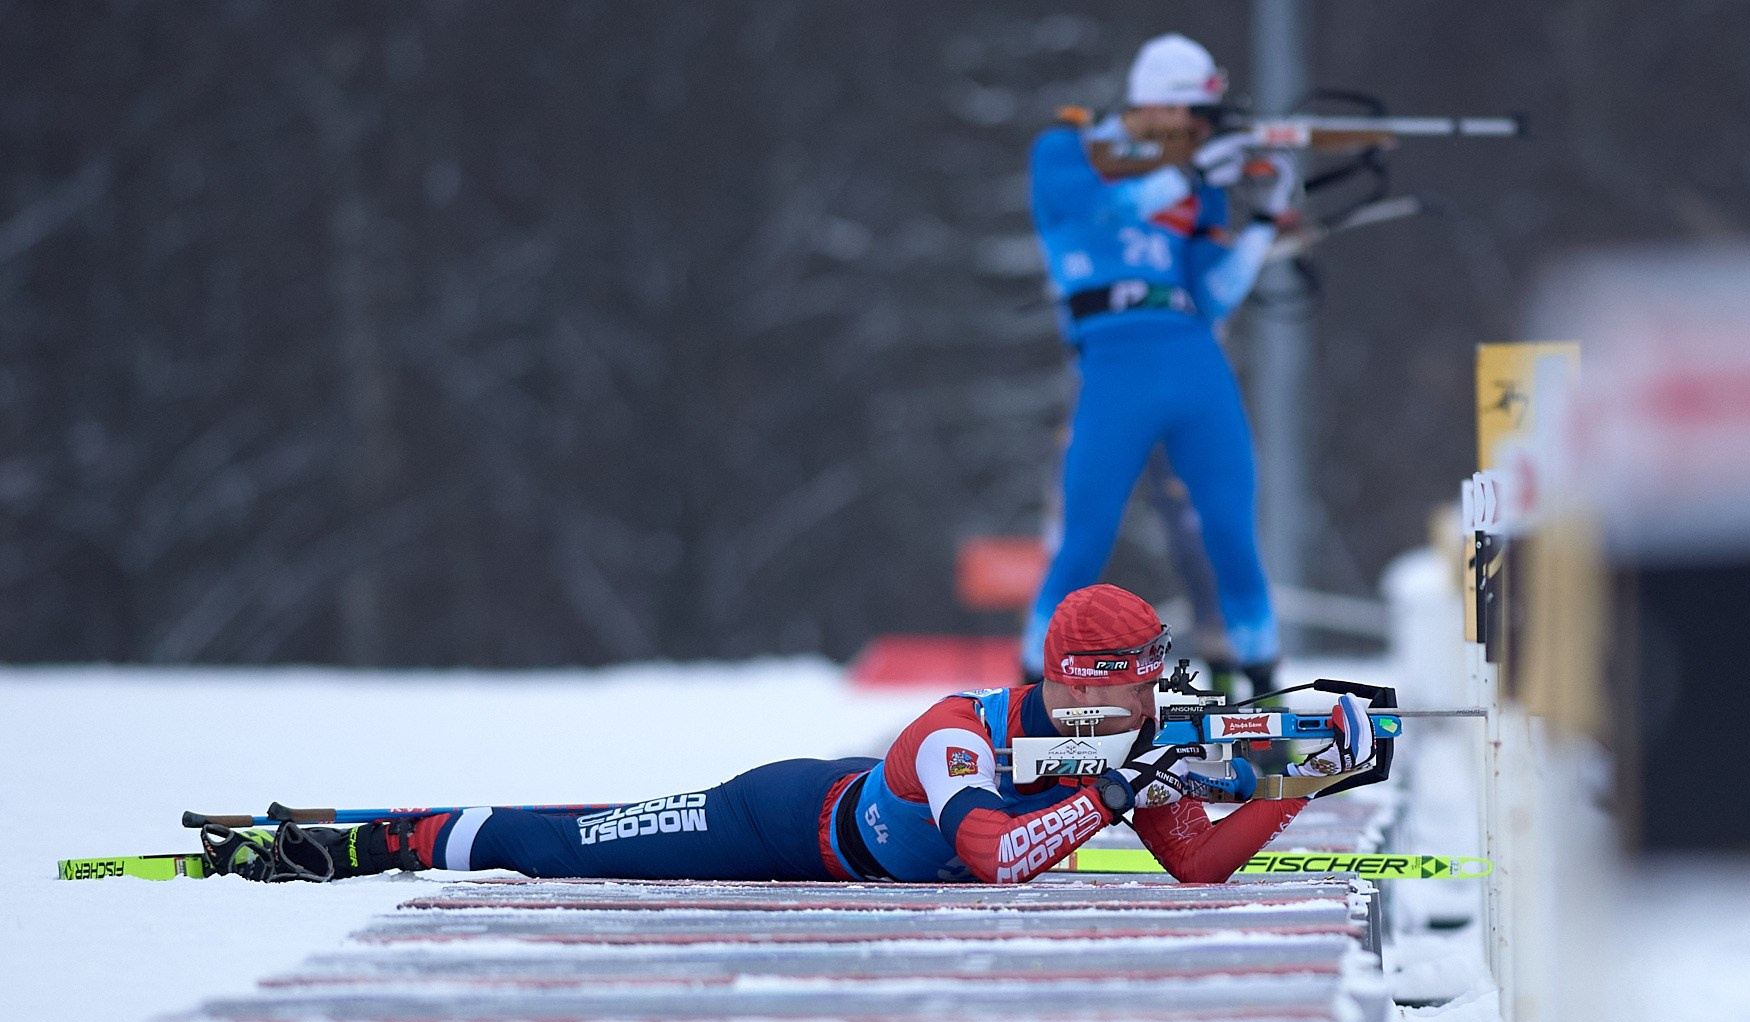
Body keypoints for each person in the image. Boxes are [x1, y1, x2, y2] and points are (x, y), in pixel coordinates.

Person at [198, 586, 1374, 887]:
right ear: (1083, 683)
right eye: (1144, 680)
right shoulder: (958, 734)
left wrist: (1304, 779)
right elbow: (991, 859)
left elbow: (1196, 863)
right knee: (562, 843)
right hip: (783, 821)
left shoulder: (1130, 742)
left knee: (571, 835)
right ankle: (362, 841)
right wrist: (1115, 795)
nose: (1162, 697)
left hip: (869, 835)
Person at [1019, 33, 1293, 695]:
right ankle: (1027, 692)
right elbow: (1093, 209)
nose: (1192, 128)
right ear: (1148, 104)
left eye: (1200, 119)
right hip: (1113, 364)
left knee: (1232, 534)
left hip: (1195, 360)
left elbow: (1213, 294)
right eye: (1181, 113)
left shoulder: (1198, 183)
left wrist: (1263, 224)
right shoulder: (1068, 149)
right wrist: (1186, 174)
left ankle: (1264, 689)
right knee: (1084, 538)